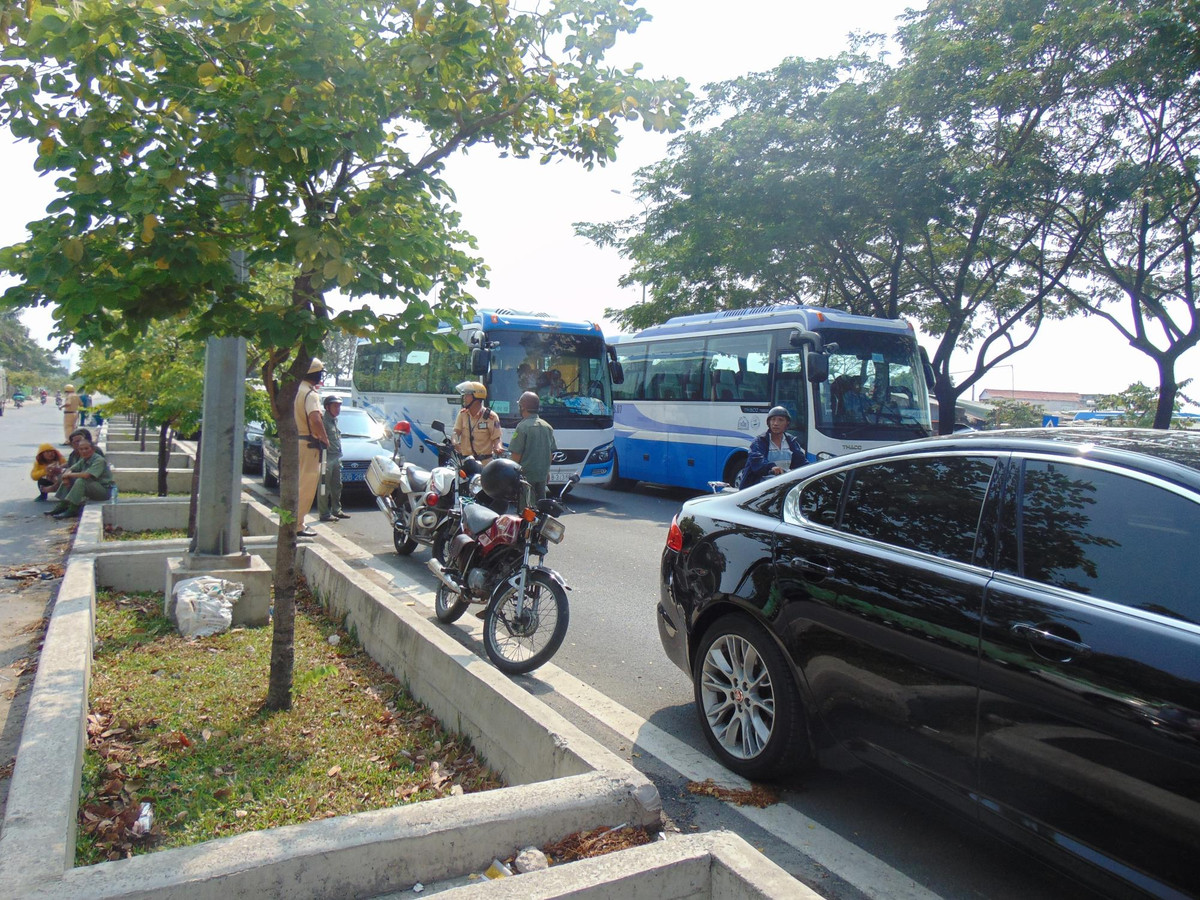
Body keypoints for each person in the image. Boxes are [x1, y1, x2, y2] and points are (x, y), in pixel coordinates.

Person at [294, 358, 329, 538]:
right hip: (308, 444)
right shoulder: (310, 394)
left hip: (295, 442)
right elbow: (315, 419)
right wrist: (324, 438)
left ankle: (292, 521)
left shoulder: (294, 390)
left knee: (296, 484)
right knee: (306, 486)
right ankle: (297, 525)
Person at [45, 436, 114, 519]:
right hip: (92, 488)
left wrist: (68, 475)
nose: (84, 451)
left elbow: (86, 475)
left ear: (92, 449)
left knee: (81, 481)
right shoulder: (83, 459)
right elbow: (71, 469)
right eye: (81, 449)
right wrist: (66, 477)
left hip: (103, 491)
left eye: (86, 448)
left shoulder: (99, 460)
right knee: (72, 478)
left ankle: (73, 509)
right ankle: (62, 505)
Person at [507, 391, 557, 503]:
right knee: (541, 507)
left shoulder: (522, 427)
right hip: (542, 475)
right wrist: (547, 472)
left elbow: (516, 455)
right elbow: (550, 454)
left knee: (526, 508)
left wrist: (511, 476)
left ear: (522, 407)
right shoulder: (547, 426)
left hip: (526, 477)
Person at [739, 406, 806, 489]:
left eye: (780, 420)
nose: (775, 423)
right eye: (773, 419)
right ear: (768, 422)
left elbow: (801, 462)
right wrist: (771, 467)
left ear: (787, 423)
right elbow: (757, 459)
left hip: (782, 486)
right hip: (759, 489)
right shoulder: (760, 441)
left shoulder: (791, 441)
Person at [452, 380, 503, 462]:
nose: (464, 398)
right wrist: (455, 443)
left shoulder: (491, 417)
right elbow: (456, 432)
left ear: (476, 397)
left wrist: (498, 447)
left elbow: (497, 438)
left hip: (484, 464)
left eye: (467, 395)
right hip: (466, 462)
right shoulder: (462, 414)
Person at [318, 394, 349, 523]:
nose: (338, 409)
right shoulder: (322, 421)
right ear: (327, 407)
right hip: (326, 457)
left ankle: (337, 510)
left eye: (339, 406)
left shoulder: (334, 420)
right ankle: (324, 513)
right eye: (335, 406)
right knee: (324, 486)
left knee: (337, 485)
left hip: (336, 457)